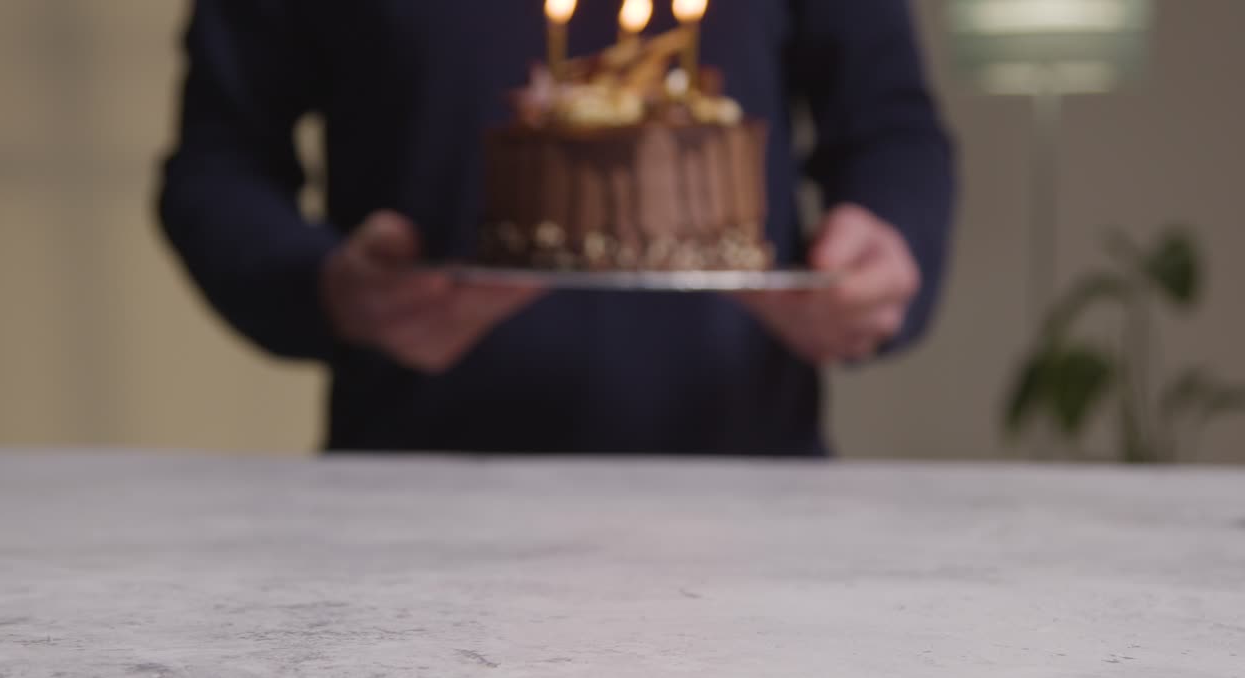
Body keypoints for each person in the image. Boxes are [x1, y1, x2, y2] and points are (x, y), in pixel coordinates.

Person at [159, 0, 954, 456]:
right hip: (411, 502)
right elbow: (216, 163)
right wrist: (323, 287)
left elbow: (891, 126)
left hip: (748, 492)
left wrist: (885, 246)